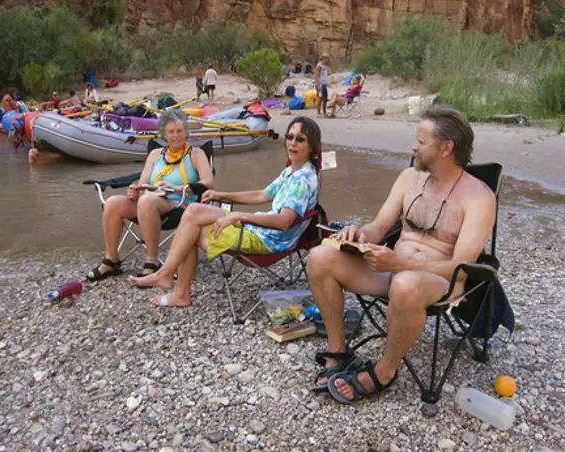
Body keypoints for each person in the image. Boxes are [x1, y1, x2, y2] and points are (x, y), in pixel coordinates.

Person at [306, 105, 496, 403]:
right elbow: (380, 226)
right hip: (391, 270)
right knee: (319, 257)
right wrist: (359, 234)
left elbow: (461, 266)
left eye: (421, 142)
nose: (413, 146)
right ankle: (339, 350)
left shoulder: (479, 197)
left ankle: (384, 371)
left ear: (446, 148)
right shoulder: (409, 178)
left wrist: (400, 263)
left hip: (439, 280)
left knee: (407, 283)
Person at [127, 116, 321, 308]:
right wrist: (221, 194)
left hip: (269, 239)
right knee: (193, 212)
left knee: (190, 229)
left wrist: (240, 215)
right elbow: (262, 194)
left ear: (312, 145)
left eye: (300, 139)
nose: (292, 143)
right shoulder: (292, 171)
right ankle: (169, 279)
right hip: (262, 228)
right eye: (290, 137)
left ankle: (175, 287)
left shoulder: (301, 179)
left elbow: (283, 222)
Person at [86, 110, 214, 281]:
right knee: (113, 203)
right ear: (164, 135)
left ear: (186, 132)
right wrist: (134, 189)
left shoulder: (196, 154)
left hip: (181, 205)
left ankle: (152, 261)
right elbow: (143, 181)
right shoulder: (155, 155)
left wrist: (178, 188)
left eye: (179, 131)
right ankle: (111, 260)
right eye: (171, 132)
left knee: (147, 201)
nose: (176, 135)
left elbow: (208, 182)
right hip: (150, 201)